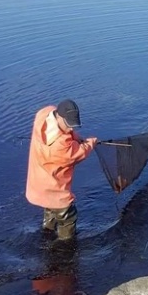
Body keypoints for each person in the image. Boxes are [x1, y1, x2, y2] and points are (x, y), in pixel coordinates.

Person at [26, 99, 97, 240]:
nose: (71, 129)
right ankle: (65, 247)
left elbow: (51, 111)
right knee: (68, 217)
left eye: (73, 125)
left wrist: (76, 138)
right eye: (69, 125)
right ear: (59, 117)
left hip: (39, 185)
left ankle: (47, 234)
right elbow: (77, 154)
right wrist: (91, 143)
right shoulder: (59, 146)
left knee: (51, 210)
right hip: (55, 190)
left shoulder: (43, 115)